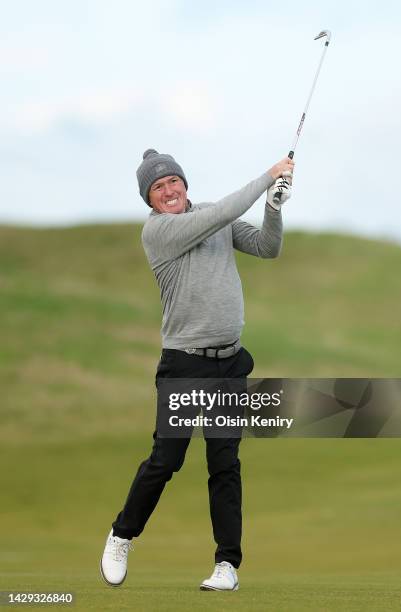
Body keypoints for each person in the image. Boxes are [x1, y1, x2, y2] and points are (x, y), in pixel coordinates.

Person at [100, 149, 294, 591]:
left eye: (173, 182)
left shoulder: (210, 215)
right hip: (184, 364)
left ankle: (227, 564)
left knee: (224, 462)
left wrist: (274, 206)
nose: (168, 191)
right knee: (166, 460)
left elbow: (268, 247)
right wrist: (269, 175)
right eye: (157, 188)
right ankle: (121, 535)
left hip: (229, 362)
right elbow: (223, 212)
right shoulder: (161, 231)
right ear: (149, 200)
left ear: (184, 183)